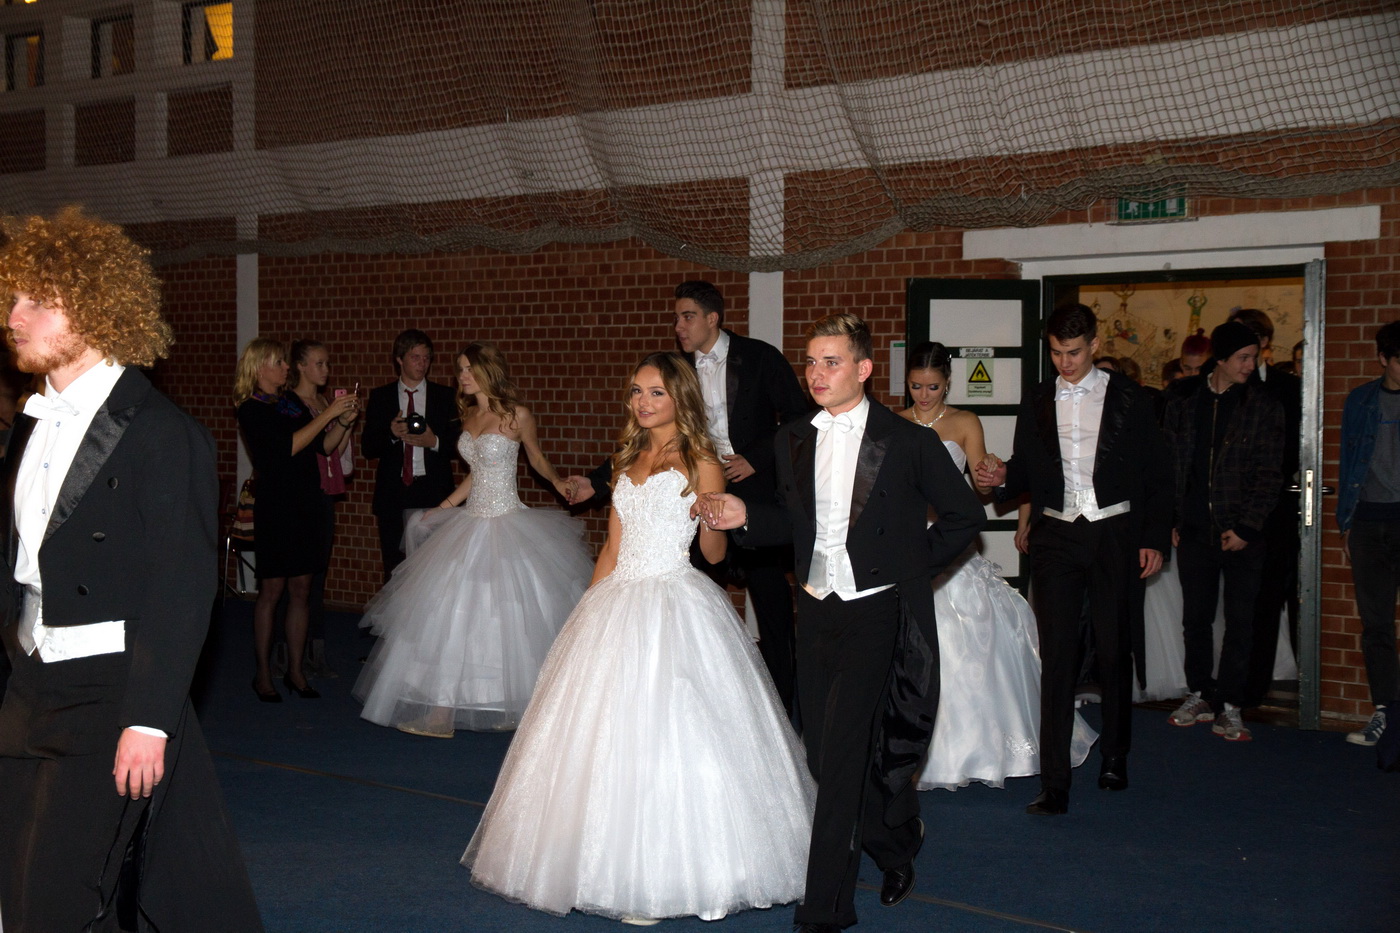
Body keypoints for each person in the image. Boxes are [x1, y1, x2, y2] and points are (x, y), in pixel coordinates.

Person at [463, 352, 814, 922]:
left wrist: (713, 517)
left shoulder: (701, 459)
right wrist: (585, 612)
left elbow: (713, 556)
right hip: (618, 598)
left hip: (675, 597)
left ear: (679, 398)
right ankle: (596, 865)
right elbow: (611, 547)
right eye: (635, 392)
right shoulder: (627, 457)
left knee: (674, 731)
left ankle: (668, 876)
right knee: (600, 737)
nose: (642, 402)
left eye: (655, 392)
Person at [0, 206, 263, 932]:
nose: (14, 316)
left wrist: (148, 719)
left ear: (96, 308)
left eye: (38, 301)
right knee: (15, 881)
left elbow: (183, 587)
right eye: (13, 297)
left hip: (109, 691)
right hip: (29, 685)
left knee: (57, 894)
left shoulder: (164, 434)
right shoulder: (29, 423)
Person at [703, 313, 985, 932]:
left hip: (876, 611)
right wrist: (744, 516)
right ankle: (895, 841)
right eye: (810, 361)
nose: (816, 373)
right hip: (815, 610)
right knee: (826, 757)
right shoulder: (792, 438)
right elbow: (791, 524)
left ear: (863, 369)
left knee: (842, 758)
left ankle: (825, 910)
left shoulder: (907, 441)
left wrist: (908, 566)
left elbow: (965, 516)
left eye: (831, 362)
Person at [565, 280, 809, 710]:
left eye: (687, 316)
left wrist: (750, 464)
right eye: (637, 392)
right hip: (649, 544)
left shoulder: (759, 358)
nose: (678, 325)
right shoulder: (671, 374)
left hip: (748, 490)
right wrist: (588, 608)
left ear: (712, 318)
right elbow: (618, 524)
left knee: (770, 599)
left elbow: (797, 419)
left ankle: (785, 703)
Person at [976, 303, 1171, 816]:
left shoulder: (1130, 396)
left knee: (1113, 648)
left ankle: (1115, 756)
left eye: (1075, 352)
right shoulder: (1038, 398)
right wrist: (1001, 478)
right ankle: (1055, 780)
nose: (1065, 362)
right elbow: (1027, 468)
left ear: (1095, 344)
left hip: (1115, 532)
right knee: (1057, 656)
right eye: (1057, 353)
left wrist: (1153, 538)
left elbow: (1158, 471)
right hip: (1057, 535)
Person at [354, 343, 593, 735]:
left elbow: (535, 458)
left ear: (487, 370)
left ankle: (510, 705)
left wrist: (557, 481)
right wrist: (441, 508)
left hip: (507, 523)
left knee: (503, 616)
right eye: (460, 369)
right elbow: (475, 476)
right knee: (454, 613)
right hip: (472, 521)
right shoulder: (468, 416)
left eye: (468, 369)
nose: (461, 376)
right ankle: (441, 713)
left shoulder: (516, 415)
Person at [899, 342, 1097, 791]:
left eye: (933, 387)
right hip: (908, 543)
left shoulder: (965, 422)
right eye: (915, 386)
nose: (924, 395)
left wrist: (989, 474)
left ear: (947, 383)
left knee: (967, 640)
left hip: (949, 539)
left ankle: (975, 747)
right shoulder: (894, 422)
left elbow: (984, 491)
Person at [1162, 320, 1284, 742]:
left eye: (1254, 357)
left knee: (1240, 622)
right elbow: (1171, 464)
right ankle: (1200, 692)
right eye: (1243, 358)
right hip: (1194, 530)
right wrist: (1173, 519)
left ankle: (1230, 705)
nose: (1251, 365)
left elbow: (1270, 473)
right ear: (1221, 359)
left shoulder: (1263, 405)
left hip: (1243, 534)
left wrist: (1247, 526)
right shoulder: (1183, 400)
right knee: (1194, 619)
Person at [235, 337, 358, 702]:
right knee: (271, 591)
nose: (286, 367)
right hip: (277, 507)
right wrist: (328, 414)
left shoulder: (289, 403)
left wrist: (344, 423)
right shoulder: (251, 408)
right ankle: (263, 674)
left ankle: (296, 671)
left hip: (307, 503)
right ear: (260, 368)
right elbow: (284, 449)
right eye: (278, 362)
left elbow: (323, 446)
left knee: (302, 590)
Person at [1227, 308, 1302, 707]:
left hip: (1272, 512)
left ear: (1265, 344)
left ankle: (1252, 690)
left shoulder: (1288, 387)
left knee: (1266, 598)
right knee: (1222, 603)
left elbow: (1292, 450)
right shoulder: (1215, 384)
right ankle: (1219, 686)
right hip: (1223, 510)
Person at [1337, 320, 1400, 747]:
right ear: (1383, 360)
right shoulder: (1361, 400)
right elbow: (1348, 465)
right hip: (1368, 523)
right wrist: (1346, 522)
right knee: (1376, 625)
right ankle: (1386, 714)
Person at [363, 329, 459, 580]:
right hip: (394, 494)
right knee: (395, 568)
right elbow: (368, 447)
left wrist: (434, 441)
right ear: (399, 359)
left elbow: (461, 445)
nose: (422, 364)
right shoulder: (381, 397)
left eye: (427, 358)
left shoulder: (445, 396)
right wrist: (391, 434)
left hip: (433, 490)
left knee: (435, 567)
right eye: (415, 357)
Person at [285, 338, 355, 678]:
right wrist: (332, 415)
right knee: (293, 580)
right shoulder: (290, 403)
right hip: (297, 496)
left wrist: (346, 422)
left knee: (317, 575)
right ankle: (287, 654)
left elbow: (330, 451)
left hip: (322, 493)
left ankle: (315, 651)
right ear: (300, 366)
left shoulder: (324, 401)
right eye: (319, 363)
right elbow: (296, 449)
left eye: (327, 363)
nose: (326, 369)